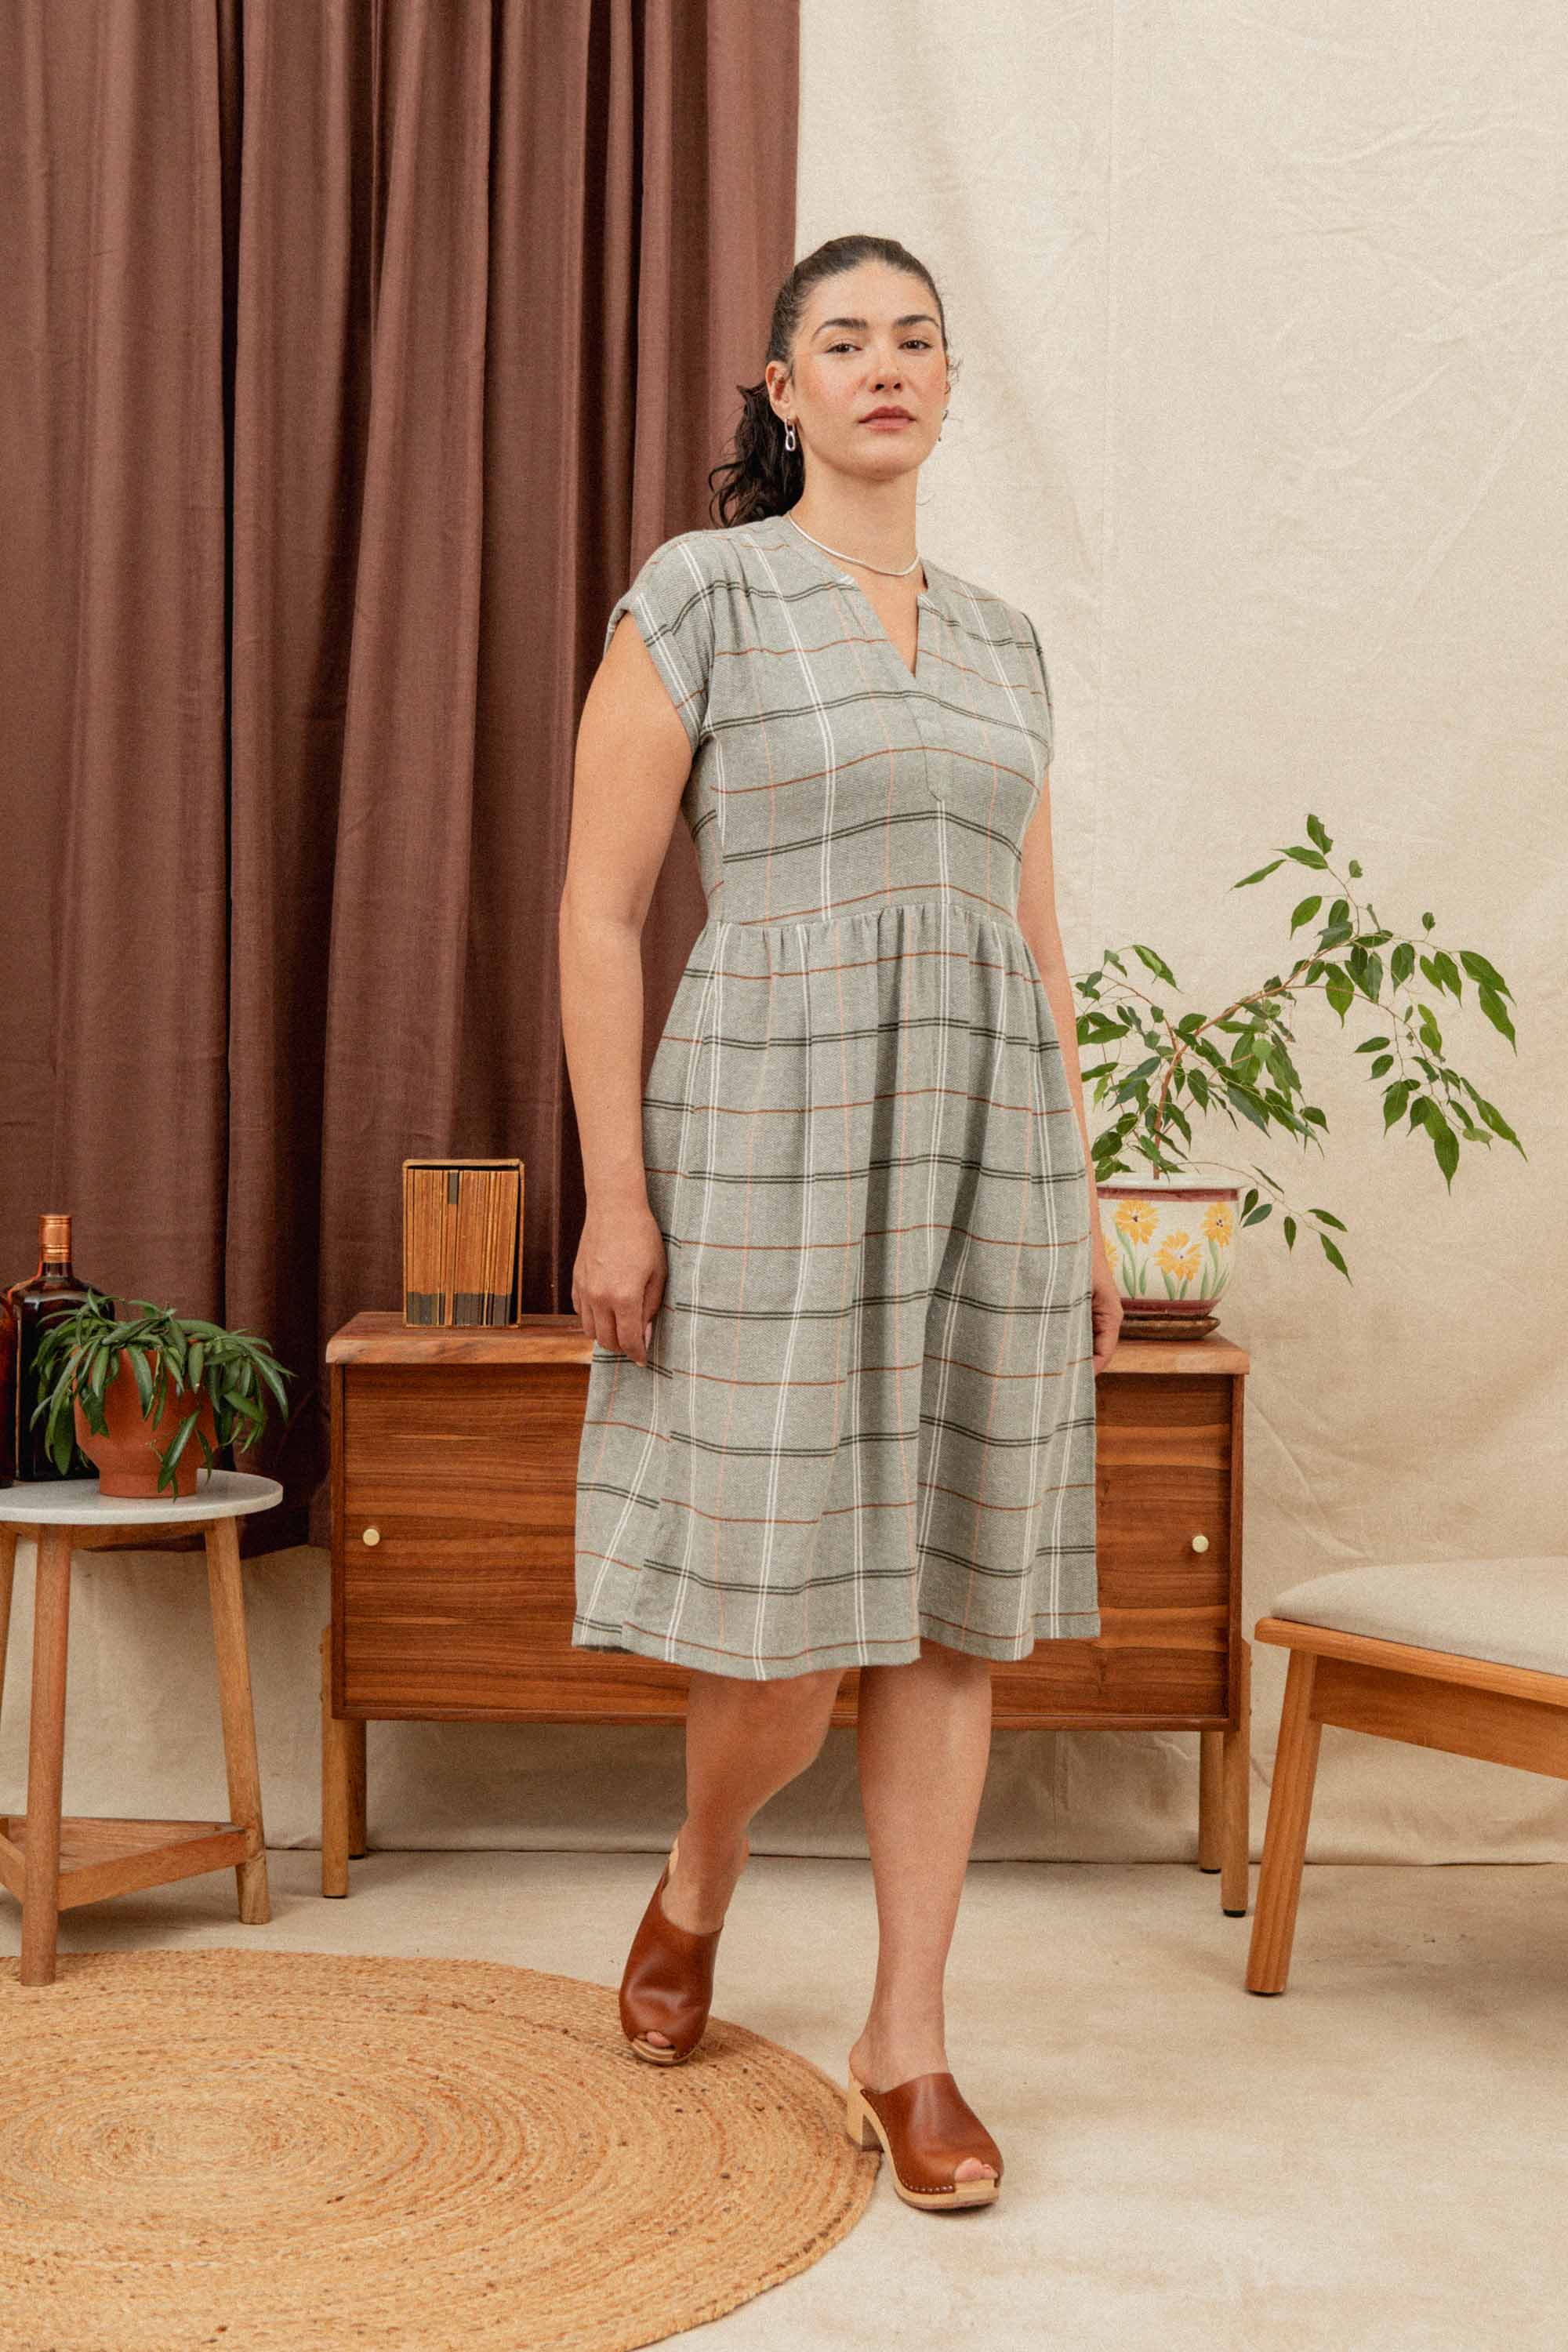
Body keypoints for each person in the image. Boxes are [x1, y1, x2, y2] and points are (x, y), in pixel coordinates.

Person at [559, 231, 1123, 2213]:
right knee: (782, 1649)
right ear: (782, 390)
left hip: (982, 1158)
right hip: (764, 1144)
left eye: (917, 342)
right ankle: (703, 1872)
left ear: (951, 389)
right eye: (842, 341)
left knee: (957, 1596)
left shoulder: (1003, 644)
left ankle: (910, 2039)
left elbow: (1035, 952)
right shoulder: (698, 597)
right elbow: (600, 912)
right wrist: (617, 1194)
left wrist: (1082, 1196)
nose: (885, 368)